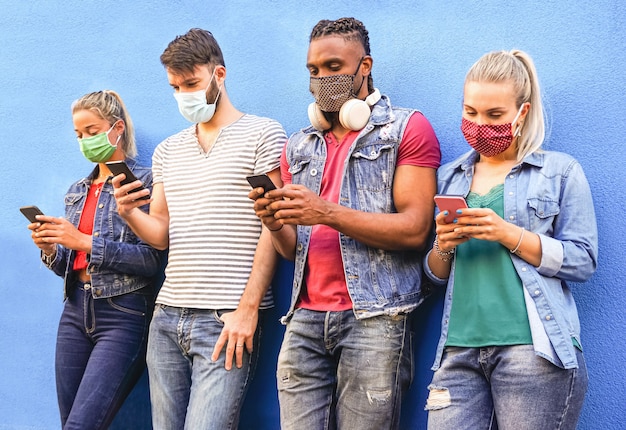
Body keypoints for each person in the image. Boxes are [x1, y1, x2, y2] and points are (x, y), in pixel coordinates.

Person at [250, 17, 441, 430]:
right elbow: (290, 249)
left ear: (365, 66)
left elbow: (414, 230)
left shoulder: (406, 128)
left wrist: (325, 212)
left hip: (375, 318)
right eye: (313, 71)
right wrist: (273, 221)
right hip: (303, 319)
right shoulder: (299, 144)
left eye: (334, 67)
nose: (321, 79)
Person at [112, 28, 286, 429]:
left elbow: (272, 228)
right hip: (167, 318)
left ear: (219, 75)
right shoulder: (167, 151)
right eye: (175, 87)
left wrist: (247, 310)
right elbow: (160, 233)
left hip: (226, 320)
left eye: (191, 83)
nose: (183, 94)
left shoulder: (264, 133)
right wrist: (128, 213)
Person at [423, 50, 598, 429]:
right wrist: (444, 245)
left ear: (522, 112)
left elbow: (583, 260)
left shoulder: (560, 171)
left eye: (494, 115)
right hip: (458, 355)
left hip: (533, 353)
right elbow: (433, 275)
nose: (479, 124)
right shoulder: (448, 178)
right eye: (470, 112)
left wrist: (509, 235)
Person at [26, 90, 162, 429]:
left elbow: (151, 260)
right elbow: (69, 266)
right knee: (69, 422)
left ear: (116, 128)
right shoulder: (77, 190)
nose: (85, 140)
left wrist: (85, 241)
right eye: (79, 134)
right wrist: (50, 249)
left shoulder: (144, 183)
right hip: (74, 310)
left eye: (91, 130)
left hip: (123, 313)